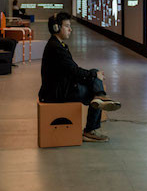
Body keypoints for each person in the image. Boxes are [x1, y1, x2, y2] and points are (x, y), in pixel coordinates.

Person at [39, 12, 122, 142]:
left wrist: (92, 75)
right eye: (66, 26)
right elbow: (74, 71)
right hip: (56, 93)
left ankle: (100, 97)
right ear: (56, 28)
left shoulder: (59, 45)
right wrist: (94, 75)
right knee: (93, 91)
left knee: (93, 82)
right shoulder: (56, 48)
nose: (70, 29)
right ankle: (91, 126)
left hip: (62, 87)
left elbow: (72, 71)